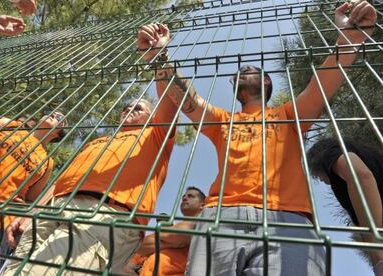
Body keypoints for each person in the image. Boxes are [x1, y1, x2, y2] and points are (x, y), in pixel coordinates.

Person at [137, 0, 377, 275]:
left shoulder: (289, 113)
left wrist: (351, 37)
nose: (242, 72)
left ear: (266, 83)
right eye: (239, 73)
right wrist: (159, 57)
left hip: (288, 218)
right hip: (220, 218)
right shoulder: (222, 121)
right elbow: (188, 100)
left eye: (250, 70)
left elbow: (321, 84)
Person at [3, 72, 178, 273]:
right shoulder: (98, 142)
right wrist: (32, 213)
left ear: (152, 117)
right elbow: (62, 181)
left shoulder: (156, 135)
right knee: (15, 269)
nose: (129, 109)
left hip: (104, 213)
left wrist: (159, 59)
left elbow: (170, 102)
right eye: (126, 107)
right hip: (54, 206)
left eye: (138, 108)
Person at [0, 106, 67, 274]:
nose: (54, 114)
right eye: (52, 112)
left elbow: (29, 199)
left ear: (58, 134)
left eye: (60, 117)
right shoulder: (13, 127)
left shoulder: (47, 163)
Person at [307, 138, 383, 275]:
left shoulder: (328, 154)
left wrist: (377, 252)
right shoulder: (372, 158)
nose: (322, 181)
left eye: (318, 177)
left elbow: (361, 176)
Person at [127, 187, 205, 276]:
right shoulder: (179, 226)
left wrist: (162, 239)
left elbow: (181, 233)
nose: (184, 198)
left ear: (202, 205)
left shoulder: (203, 223)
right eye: (184, 196)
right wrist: (169, 242)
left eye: (191, 196)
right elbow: (141, 246)